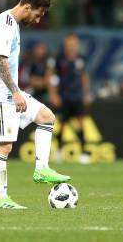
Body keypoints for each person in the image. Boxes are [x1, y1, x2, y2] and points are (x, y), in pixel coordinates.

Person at [0, 0, 70, 210]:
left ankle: (42, 169)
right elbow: (0, 61)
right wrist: (16, 91)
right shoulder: (5, 25)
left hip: (10, 92)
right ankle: (1, 199)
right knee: (3, 146)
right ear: (27, 7)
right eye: (38, 15)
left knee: (46, 117)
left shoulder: (12, 24)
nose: (38, 20)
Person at [47, 33, 92, 163]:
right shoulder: (58, 58)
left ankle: (84, 153)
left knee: (81, 123)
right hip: (64, 96)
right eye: (70, 43)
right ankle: (59, 152)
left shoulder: (81, 59)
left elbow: (84, 77)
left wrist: (87, 94)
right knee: (62, 124)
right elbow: (51, 75)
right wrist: (53, 94)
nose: (72, 46)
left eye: (74, 43)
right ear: (66, 44)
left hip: (77, 95)